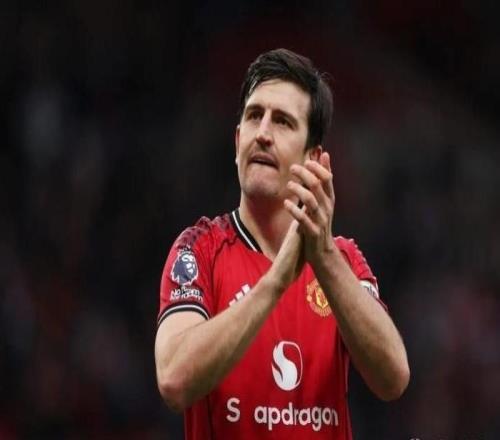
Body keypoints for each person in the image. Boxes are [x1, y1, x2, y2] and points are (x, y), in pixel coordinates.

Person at [154, 48, 410, 439]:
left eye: (283, 122)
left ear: (314, 158)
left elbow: (393, 378)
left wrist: (323, 257)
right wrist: (275, 281)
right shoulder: (198, 250)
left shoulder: (342, 260)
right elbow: (174, 379)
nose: (263, 133)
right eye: (254, 116)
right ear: (237, 141)